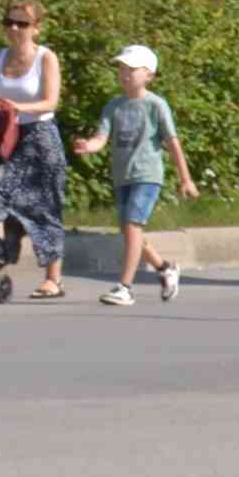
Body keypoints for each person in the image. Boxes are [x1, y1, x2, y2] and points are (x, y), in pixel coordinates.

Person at [80, 46, 184, 309]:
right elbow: (101, 138)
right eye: (122, 69)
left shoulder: (156, 105)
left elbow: (172, 142)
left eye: (132, 69)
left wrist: (186, 178)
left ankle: (125, 288)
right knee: (130, 232)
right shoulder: (113, 105)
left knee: (133, 226)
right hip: (122, 176)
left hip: (147, 175)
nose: (125, 74)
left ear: (148, 74)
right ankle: (165, 268)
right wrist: (88, 146)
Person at [0, 0, 69, 296]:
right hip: (5, 137)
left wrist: (13, 106)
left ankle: (53, 278)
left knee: (44, 206)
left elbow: (50, 101)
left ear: (36, 28)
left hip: (40, 137)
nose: (15, 29)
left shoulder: (46, 57)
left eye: (22, 23)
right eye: (9, 22)